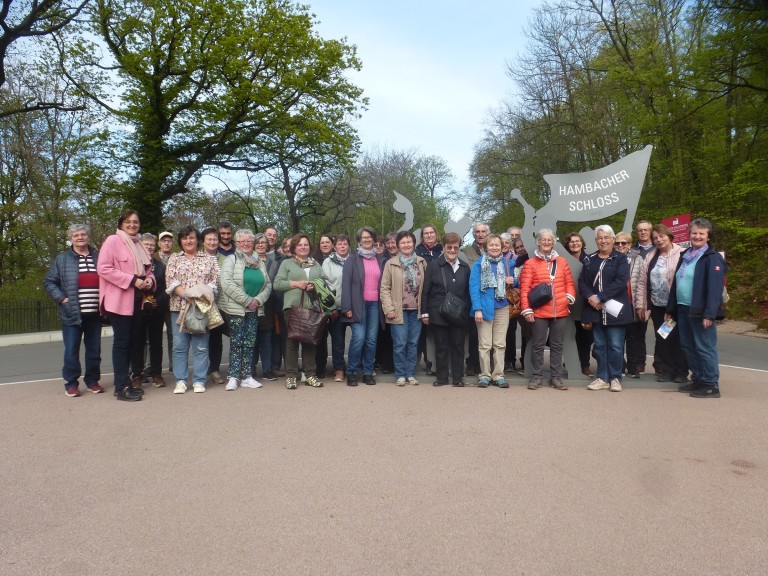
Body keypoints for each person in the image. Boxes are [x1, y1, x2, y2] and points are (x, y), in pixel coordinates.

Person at [97, 210, 155, 402]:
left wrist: (149, 281)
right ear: (121, 223)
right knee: (122, 343)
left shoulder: (140, 245)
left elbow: (148, 270)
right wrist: (132, 280)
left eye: (135, 222)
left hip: (138, 301)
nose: (132, 225)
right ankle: (120, 386)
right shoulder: (112, 241)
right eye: (128, 221)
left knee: (134, 342)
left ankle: (127, 381)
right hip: (119, 300)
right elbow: (103, 268)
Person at [665, 218, 727, 398]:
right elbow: (676, 284)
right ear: (689, 234)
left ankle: (710, 384)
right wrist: (671, 309)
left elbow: (715, 290)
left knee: (704, 347)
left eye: (702, 233)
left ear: (708, 236)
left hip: (701, 311)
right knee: (688, 346)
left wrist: (710, 314)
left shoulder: (712, 258)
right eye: (694, 233)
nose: (697, 236)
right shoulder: (685, 256)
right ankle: (698, 379)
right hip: (683, 308)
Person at [44, 223, 104, 397]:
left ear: (88, 237)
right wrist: (62, 299)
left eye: (83, 234)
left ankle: (92, 381)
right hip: (71, 313)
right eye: (76, 235)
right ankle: (71, 383)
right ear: (70, 238)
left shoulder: (99, 257)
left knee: (94, 350)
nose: (80, 237)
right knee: (71, 350)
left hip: (95, 313)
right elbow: (49, 282)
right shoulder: (62, 259)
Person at [165, 226, 220, 394]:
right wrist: (186, 296)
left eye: (191, 238)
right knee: (180, 346)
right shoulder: (174, 258)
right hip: (179, 308)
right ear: (180, 241)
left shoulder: (209, 259)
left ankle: (199, 380)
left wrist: (198, 296)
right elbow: (171, 280)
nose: (188, 241)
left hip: (201, 308)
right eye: (184, 238)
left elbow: (215, 281)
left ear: (198, 240)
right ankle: (181, 380)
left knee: (201, 346)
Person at [520, 229, 575, 390]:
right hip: (539, 311)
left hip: (560, 310)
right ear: (538, 241)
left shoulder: (562, 262)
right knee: (538, 345)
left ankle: (556, 377)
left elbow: (569, 283)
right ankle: (536, 377)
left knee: (557, 345)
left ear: (553, 242)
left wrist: (568, 297)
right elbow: (525, 288)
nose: (546, 242)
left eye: (549, 240)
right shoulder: (530, 263)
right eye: (543, 239)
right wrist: (527, 310)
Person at [579, 225, 632, 392]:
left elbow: (621, 281)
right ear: (596, 241)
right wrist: (590, 297)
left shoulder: (621, 259)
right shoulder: (590, 259)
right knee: (600, 346)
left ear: (613, 239)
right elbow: (582, 282)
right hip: (595, 310)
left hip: (615, 310)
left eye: (606, 237)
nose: (603, 241)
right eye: (600, 238)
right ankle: (602, 377)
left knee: (616, 346)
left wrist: (600, 297)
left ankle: (615, 378)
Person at [219, 229, 272, 391]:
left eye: (249, 241)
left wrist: (257, 300)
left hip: (254, 309)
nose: (246, 244)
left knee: (249, 343)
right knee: (237, 343)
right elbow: (226, 283)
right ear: (237, 244)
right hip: (236, 309)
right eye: (243, 241)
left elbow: (268, 284)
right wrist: (247, 300)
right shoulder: (231, 259)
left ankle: (247, 376)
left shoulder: (259, 262)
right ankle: (234, 376)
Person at [634, 224, 687, 383]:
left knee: (677, 339)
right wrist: (641, 305)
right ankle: (667, 370)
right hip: (658, 306)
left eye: (661, 236)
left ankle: (681, 372)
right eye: (655, 238)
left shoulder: (681, 254)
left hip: (675, 307)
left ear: (669, 236)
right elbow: (643, 282)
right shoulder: (651, 256)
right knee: (663, 337)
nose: (659, 240)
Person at [273, 234, 326, 389]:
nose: (303, 247)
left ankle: (310, 375)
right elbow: (277, 284)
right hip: (292, 307)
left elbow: (324, 280)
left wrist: (314, 285)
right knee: (292, 342)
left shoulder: (315, 264)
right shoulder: (287, 263)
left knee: (310, 342)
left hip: (312, 307)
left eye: (306, 245)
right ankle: (291, 376)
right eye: (300, 245)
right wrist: (296, 284)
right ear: (294, 248)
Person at [420, 232, 470, 387]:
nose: (453, 250)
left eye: (456, 247)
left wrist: (466, 312)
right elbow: (425, 291)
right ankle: (441, 378)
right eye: (449, 247)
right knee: (441, 347)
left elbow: (468, 292)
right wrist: (425, 312)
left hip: (458, 314)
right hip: (438, 312)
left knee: (458, 346)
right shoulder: (434, 265)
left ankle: (457, 378)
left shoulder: (464, 266)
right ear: (444, 247)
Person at [381, 231, 427, 386]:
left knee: (413, 343)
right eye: (403, 242)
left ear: (413, 244)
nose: (406, 245)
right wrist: (389, 308)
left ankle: (410, 373)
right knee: (400, 343)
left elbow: (426, 288)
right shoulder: (391, 263)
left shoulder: (421, 262)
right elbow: (385, 288)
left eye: (409, 242)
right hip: (398, 310)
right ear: (398, 245)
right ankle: (400, 374)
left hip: (416, 311)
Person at [341, 226, 386, 386]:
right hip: (357, 305)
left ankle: (368, 372)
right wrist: (346, 307)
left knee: (371, 340)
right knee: (359, 338)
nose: (366, 240)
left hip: (375, 305)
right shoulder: (352, 259)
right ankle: (352, 372)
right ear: (359, 240)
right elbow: (345, 284)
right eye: (363, 237)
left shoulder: (379, 260)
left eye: (369, 237)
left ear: (374, 240)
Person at [469, 234, 511, 388]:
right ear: (485, 247)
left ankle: (499, 375)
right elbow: (473, 288)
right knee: (485, 345)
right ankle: (485, 375)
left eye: (497, 245)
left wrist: (514, 280)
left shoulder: (508, 263)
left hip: (502, 308)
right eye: (491, 245)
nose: (494, 247)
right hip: (484, 309)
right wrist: (477, 309)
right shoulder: (478, 265)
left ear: (502, 247)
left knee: (500, 344)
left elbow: (520, 279)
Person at [132, 233, 168, 388]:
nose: (149, 247)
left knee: (156, 342)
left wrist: (156, 302)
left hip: (156, 309)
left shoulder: (160, 265)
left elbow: (166, 287)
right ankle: (137, 375)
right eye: (146, 244)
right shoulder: (134, 263)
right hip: (138, 308)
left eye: (152, 245)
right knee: (138, 342)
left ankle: (156, 374)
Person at [614, 231, 645, 378]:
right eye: (617, 243)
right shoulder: (610, 258)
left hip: (632, 303)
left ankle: (633, 369)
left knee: (633, 339)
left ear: (630, 244)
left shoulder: (638, 259)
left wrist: (641, 304)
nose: (620, 245)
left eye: (624, 243)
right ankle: (619, 366)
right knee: (617, 338)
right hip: (615, 305)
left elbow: (642, 283)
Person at [250, 233, 279, 381]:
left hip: (268, 306)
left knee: (267, 339)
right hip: (251, 304)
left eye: (263, 242)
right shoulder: (247, 261)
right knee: (252, 339)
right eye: (258, 242)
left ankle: (267, 369)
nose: (261, 245)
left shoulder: (273, 263)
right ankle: (251, 369)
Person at [199, 227, 227, 385]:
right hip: (200, 304)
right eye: (209, 239)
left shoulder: (225, 259)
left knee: (216, 338)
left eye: (215, 239)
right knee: (201, 338)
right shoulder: (196, 258)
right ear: (203, 241)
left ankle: (215, 370)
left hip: (219, 304)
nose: (212, 242)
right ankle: (202, 371)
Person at [322, 233, 350, 382]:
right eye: (339, 244)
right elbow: (326, 284)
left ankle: (354, 366)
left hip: (353, 307)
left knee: (358, 338)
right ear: (335, 246)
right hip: (336, 307)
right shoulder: (328, 262)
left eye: (345, 244)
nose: (342, 246)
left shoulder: (354, 260)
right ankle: (339, 369)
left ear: (349, 246)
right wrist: (331, 307)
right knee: (338, 340)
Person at [415, 223, 442, 376]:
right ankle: (422, 363)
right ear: (422, 236)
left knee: (435, 332)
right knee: (421, 333)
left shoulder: (442, 251)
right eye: (426, 233)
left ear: (436, 234)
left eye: (432, 233)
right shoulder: (417, 251)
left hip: (438, 297)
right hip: (421, 296)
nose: (429, 235)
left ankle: (435, 363)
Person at [565, 232, 593, 376]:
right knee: (570, 336)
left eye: (577, 241)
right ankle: (571, 362)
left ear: (582, 243)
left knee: (586, 337)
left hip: (585, 303)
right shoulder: (564, 260)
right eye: (571, 241)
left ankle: (585, 364)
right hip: (569, 303)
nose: (574, 244)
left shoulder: (590, 260)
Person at [463, 222, 489, 377]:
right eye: (477, 231)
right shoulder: (465, 252)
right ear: (473, 234)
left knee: (488, 335)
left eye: (483, 231)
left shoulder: (493, 249)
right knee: (473, 334)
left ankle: (487, 364)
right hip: (472, 298)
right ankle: (472, 363)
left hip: (490, 299)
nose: (480, 234)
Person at [374, 231, 399, 374]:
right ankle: (386, 363)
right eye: (388, 242)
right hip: (385, 302)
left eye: (392, 242)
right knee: (385, 334)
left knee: (399, 337)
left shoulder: (404, 258)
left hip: (403, 303)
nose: (390, 245)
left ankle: (398, 364)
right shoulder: (383, 261)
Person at [312, 233, 335, 378]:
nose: (325, 245)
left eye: (327, 242)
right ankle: (319, 367)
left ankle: (338, 365)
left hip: (335, 303)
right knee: (319, 337)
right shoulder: (313, 261)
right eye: (322, 243)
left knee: (337, 337)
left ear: (333, 244)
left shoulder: (339, 259)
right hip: (318, 304)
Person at [157, 231, 175, 372]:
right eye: (164, 241)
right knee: (153, 338)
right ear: (159, 243)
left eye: (169, 241)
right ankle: (151, 367)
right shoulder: (152, 257)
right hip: (156, 302)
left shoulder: (176, 258)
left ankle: (174, 365)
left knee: (173, 336)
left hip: (172, 302)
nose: (166, 243)